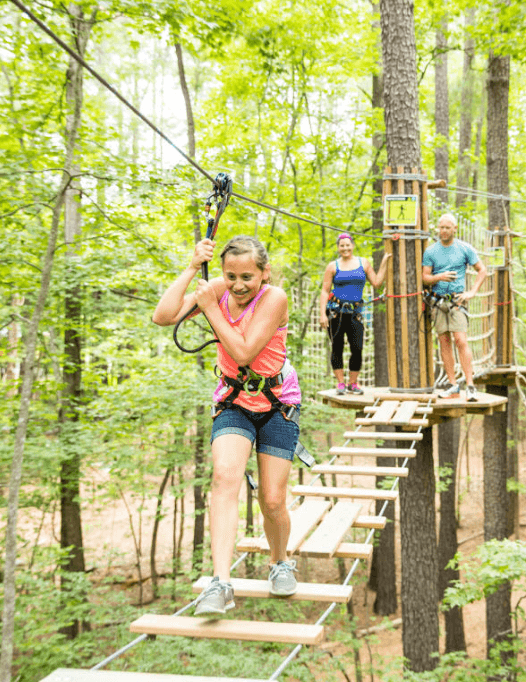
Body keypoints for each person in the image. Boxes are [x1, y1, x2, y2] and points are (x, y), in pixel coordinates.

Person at [152, 235, 302, 614]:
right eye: (230, 275)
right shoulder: (217, 289)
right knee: (224, 477)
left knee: (272, 499)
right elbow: (163, 316)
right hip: (233, 402)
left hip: (276, 404)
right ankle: (220, 584)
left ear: (264, 274)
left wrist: (210, 309)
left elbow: (244, 350)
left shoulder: (275, 299)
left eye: (247, 277)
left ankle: (280, 560)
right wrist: (191, 269)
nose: (237, 285)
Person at [422, 213, 487, 400]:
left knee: (460, 340)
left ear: (454, 229)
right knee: (444, 341)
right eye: (441, 227)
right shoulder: (431, 251)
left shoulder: (464, 248)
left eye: (447, 228)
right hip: (437, 301)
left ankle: (470, 384)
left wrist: (472, 292)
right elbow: (424, 277)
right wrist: (439, 277)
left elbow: (482, 270)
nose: (443, 231)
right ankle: (452, 384)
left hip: (457, 301)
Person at [319, 232, 391, 395]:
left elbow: (377, 282)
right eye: (342, 245)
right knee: (337, 347)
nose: (345, 248)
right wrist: (322, 314)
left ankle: (353, 383)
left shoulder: (363, 263)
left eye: (347, 245)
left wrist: (385, 262)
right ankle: (340, 384)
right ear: (338, 248)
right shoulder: (332, 266)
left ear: (352, 245)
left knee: (357, 347)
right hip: (335, 312)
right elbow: (325, 291)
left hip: (355, 312)